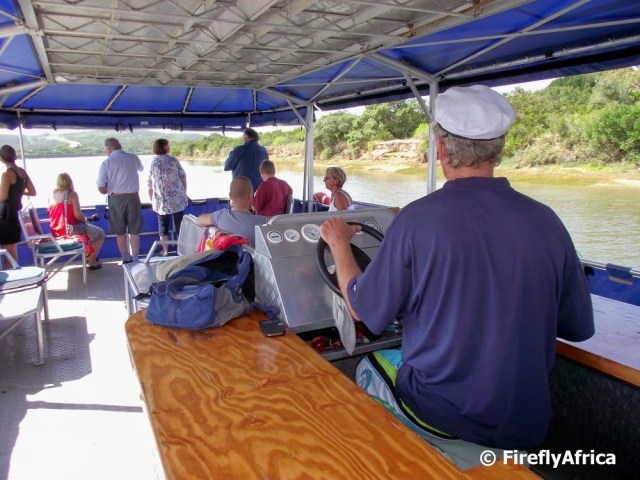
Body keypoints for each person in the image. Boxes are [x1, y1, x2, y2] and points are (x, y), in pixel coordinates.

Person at [319, 85, 594, 465]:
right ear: (498, 148)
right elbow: (576, 328)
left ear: (442, 149)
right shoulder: (547, 220)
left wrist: (339, 245)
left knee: (368, 365)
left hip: (444, 416)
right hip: (526, 423)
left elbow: (360, 308)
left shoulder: (417, 220)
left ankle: (406, 464)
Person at [96, 138, 144, 264]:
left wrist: (108, 188)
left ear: (109, 148)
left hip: (116, 199)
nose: (105, 152)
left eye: (105, 150)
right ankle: (136, 259)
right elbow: (141, 169)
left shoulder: (107, 163)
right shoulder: (133, 158)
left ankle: (125, 259)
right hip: (133, 198)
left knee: (120, 232)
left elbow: (101, 188)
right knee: (134, 231)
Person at [49, 173, 105, 269]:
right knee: (99, 233)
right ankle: (91, 261)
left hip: (56, 231)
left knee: (90, 232)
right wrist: (85, 220)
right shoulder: (72, 194)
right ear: (70, 182)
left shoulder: (51, 197)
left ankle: (88, 254)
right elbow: (78, 215)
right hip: (70, 230)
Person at [196, 176, 266, 247]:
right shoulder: (261, 223)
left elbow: (198, 221)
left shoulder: (220, 216)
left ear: (230, 196)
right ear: (250, 196)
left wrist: (216, 231)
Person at [148, 139, 188, 256]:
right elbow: (183, 176)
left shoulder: (154, 162)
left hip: (161, 200)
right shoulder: (173, 160)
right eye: (168, 145)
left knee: (162, 224)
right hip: (177, 198)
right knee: (179, 223)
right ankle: (181, 248)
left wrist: (151, 198)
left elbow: (150, 182)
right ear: (165, 147)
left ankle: (165, 250)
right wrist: (184, 192)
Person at [0, 145, 36, 268]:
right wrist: (19, 192)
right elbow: (32, 192)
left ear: (1, 159)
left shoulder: (7, 174)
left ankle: (9, 276)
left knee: (7, 249)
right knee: (12, 248)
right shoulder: (22, 172)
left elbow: (2, 197)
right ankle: (14, 273)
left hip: (6, 215)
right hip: (16, 213)